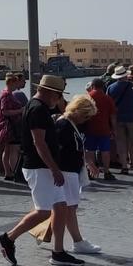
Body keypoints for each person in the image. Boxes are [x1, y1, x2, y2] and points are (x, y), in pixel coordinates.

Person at [0, 75, 85, 266]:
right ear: (50, 92)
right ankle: (8, 238)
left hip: (43, 166)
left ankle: (58, 251)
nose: (59, 99)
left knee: (60, 207)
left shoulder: (39, 108)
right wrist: (54, 169)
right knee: (43, 211)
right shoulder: (37, 110)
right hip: (39, 167)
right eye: (58, 94)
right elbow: (39, 142)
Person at [55, 95, 102, 254]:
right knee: (69, 207)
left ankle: (77, 241)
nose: (86, 119)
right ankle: (77, 241)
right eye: (85, 115)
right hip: (66, 170)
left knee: (69, 207)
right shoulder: (64, 125)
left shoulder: (71, 124)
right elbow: (60, 150)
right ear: (77, 111)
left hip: (72, 170)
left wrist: (88, 163)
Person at [107, 67, 133, 175]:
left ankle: (124, 166)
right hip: (132, 118)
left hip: (117, 119)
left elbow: (109, 104)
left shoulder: (110, 88)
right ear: (125, 75)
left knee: (121, 143)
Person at [84, 79, 116, 181]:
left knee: (90, 150)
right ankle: (106, 172)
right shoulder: (107, 98)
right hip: (104, 128)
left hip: (89, 128)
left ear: (92, 86)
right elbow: (112, 116)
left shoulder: (87, 97)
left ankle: (91, 171)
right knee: (105, 151)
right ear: (103, 86)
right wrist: (114, 129)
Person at [0, 73, 24, 181]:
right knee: (13, 150)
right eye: (16, 82)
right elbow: (5, 111)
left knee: (7, 150)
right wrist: (20, 110)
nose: (17, 85)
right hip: (10, 127)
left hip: (6, 126)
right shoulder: (7, 95)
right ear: (11, 82)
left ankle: (8, 172)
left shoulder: (4, 93)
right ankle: (15, 172)